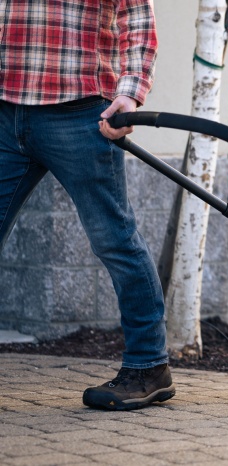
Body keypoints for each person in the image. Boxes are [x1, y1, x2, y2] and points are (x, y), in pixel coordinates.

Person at [0, 1, 174, 410]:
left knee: (115, 239)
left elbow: (137, 18)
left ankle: (149, 366)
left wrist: (130, 95)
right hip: (5, 110)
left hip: (79, 115)